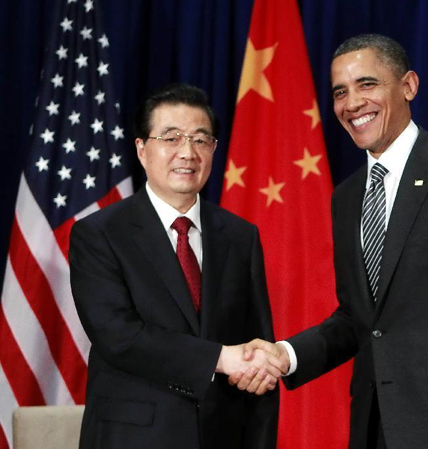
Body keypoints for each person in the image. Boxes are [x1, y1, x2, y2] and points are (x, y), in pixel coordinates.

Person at [234, 34, 428, 449]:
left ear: (409, 85)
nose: (351, 103)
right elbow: (358, 321)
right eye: (340, 91)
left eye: (367, 84)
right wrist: (285, 355)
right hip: (374, 428)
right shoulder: (347, 196)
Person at [69, 83, 283, 449]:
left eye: (201, 140)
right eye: (171, 138)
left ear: (214, 150)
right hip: (132, 438)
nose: (188, 153)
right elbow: (119, 336)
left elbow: (254, 343)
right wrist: (220, 358)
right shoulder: (99, 234)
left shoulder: (240, 236)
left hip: (224, 435)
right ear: (141, 149)